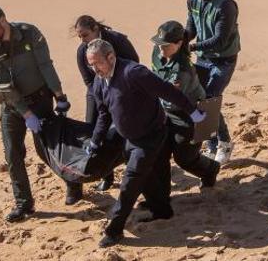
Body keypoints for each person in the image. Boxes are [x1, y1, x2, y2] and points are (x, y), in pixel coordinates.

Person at [83, 39, 206, 248]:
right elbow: (104, 113)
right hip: (129, 138)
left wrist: (192, 111)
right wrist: (95, 141)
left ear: (111, 57)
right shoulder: (99, 81)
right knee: (147, 175)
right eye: (90, 65)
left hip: (150, 136)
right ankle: (162, 211)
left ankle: (114, 230)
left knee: (130, 183)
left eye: (97, 64)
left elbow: (168, 91)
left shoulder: (133, 73)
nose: (94, 69)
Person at [0, 3, 83, 223]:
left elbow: (45, 65)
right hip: (12, 106)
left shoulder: (29, 33)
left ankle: (73, 182)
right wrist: (26, 115)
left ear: (2, 21)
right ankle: (24, 204)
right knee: (13, 154)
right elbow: (5, 87)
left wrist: (59, 95)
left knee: (50, 148)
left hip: (40, 99)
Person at [150, 20, 221, 195]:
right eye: (158, 44)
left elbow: (171, 100)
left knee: (185, 158)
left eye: (165, 45)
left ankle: (210, 169)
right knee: (159, 155)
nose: (160, 49)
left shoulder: (181, 70)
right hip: (164, 113)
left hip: (188, 116)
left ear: (179, 44)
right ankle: (160, 197)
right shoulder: (159, 53)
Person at [73, 14, 139, 191]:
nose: (82, 40)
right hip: (97, 92)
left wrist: (117, 91)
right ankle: (106, 175)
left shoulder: (117, 40)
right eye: (79, 36)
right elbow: (88, 80)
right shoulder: (82, 51)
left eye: (85, 35)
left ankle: (132, 164)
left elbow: (134, 62)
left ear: (96, 29)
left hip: (123, 89)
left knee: (125, 127)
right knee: (93, 129)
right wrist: (102, 97)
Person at [185, 0, 240, 164]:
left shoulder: (226, 5)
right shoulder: (193, 0)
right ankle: (212, 144)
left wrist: (191, 47)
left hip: (223, 60)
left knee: (209, 101)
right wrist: (179, 41)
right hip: (203, 58)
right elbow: (191, 28)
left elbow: (220, 39)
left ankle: (224, 143)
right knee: (198, 99)